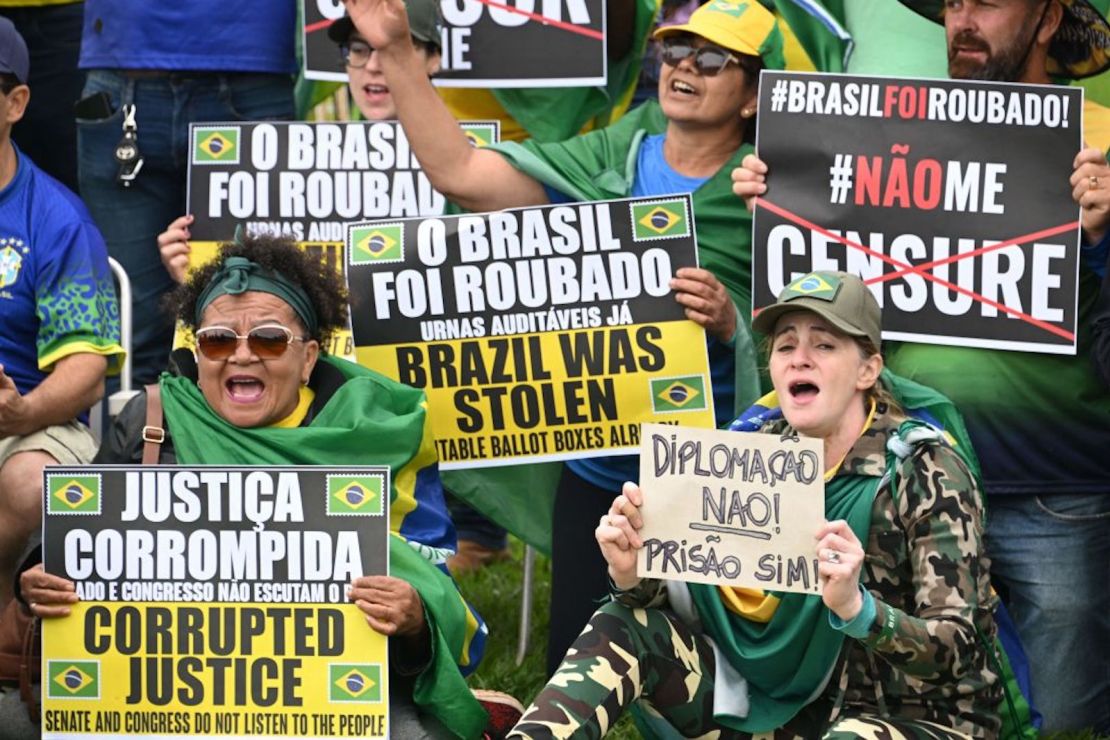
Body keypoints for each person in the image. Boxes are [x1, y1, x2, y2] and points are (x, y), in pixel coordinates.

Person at [341, 0, 780, 672]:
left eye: (714, 58)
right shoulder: (611, 151)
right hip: (600, 473)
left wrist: (731, 319)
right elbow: (462, 175)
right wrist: (398, 53)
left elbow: (816, 326)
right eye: (675, 51)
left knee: (728, 685)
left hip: (712, 474)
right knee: (571, 680)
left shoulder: (767, 188)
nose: (686, 66)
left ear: (753, 96)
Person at [732, 1, 1110, 730]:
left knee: (1065, 717)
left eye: (988, 2)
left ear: (1047, 15)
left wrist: (1103, 238)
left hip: (1054, 490)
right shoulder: (881, 134)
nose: (963, 19)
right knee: (907, 697)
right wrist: (783, 213)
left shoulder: (1098, 142)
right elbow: (829, 316)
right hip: (911, 481)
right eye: (952, 3)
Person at [18, 235, 509, 738]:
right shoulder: (152, 420)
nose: (242, 356)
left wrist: (413, 618)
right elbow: (62, 546)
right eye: (217, 340)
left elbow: (433, 583)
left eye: (270, 339)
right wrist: (35, 578)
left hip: (327, 703)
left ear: (309, 357)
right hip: (159, 695)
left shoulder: (378, 434)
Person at [508, 271, 1000, 738]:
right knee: (622, 623)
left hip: (911, 718)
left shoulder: (926, 468)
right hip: (779, 711)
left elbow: (959, 650)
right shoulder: (748, 454)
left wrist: (859, 609)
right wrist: (634, 574)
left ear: (868, 369)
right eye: (786, 345)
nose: (799, 358)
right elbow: (699, 612)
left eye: (824, 345)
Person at [76, 1, 298, 387]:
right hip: (130, 68)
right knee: (129, 332)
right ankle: (136, 447)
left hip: (248, 67)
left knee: (262, 315)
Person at [0, 16, 123, 608]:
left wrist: (20, 412)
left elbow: (84, 372)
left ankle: (6, 616)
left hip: (22, 419)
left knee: (32, 485)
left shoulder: (58, 219)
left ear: (16, 101)